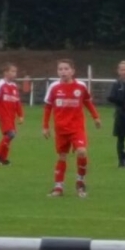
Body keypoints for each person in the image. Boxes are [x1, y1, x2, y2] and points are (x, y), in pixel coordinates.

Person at [42, 59, 101, 198]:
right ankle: (58, 187)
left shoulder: (80, 86)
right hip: (60, 129)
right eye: (60, 69)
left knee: (82, 151)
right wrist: (45, 126)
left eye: (66, 69)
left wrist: (96, 117)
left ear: (72, 71)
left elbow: (87, 101)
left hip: (76, 128)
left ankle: (80, 182)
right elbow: (48, 107)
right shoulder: (54, 87)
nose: (63, 71)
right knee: (62, 156)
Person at [0, 63, 25, 166]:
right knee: (11, 134)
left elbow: (17, 102)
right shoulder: (1, 84)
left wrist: (20, 115)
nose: (15, 74)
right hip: (3, 115)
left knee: (9, 137)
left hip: (11, 116)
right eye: (12, 71)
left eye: (15, 71)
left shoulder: (14, 86)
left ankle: (2, 158)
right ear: (5, 73)